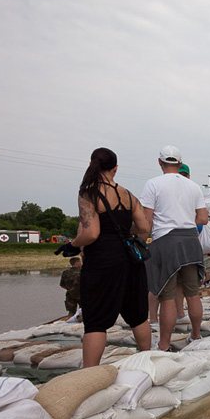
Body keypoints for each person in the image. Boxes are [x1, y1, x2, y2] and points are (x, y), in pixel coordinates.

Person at [62, 147, 151, 367]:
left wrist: (73, 244)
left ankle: (89, 374)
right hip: (130, 259)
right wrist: (125, 235)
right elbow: (144, 227)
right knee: (138, 315)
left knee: (96, 322)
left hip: (103, 260)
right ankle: (148, 361)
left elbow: (91, 233)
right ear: (115, 169)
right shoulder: (128, 195)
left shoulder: (89, 193)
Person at [140, 145, 208, 351]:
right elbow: (203, 218)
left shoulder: (153, 184)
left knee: (167, 297)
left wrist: (142, 242)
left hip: (166, 242)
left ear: (160, 162)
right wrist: (186, 219)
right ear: (179, 164)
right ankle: (196, 335)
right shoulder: (193, 187)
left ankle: (164, 344)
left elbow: (146, 220)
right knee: (193, 292)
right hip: (190, 240)